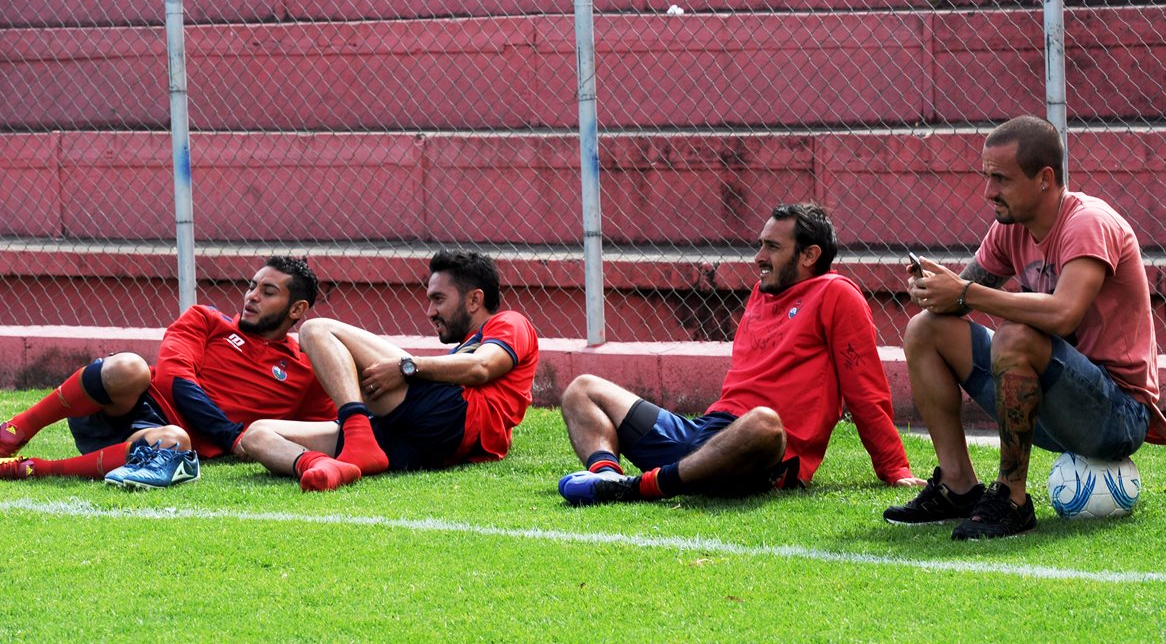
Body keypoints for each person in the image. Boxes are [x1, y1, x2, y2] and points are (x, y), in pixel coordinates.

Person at [884, 115, 1166, 540]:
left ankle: (1012, 499)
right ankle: (957, 486)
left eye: (1000, 179)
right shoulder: (1010, 227)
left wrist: (964, 292)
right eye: (986, 177)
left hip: (1117, 415)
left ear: (1044, 179)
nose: (988, 192)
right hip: (1056, 403)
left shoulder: (1089, 223)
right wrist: (935, 288)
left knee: (1015, 335)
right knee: (926, 329)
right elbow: (962, 297)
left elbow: (1063, 314)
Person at [557, 203, 924, 506]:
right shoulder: (762, 290)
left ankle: (639, 488)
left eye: (773, 248)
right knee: (581, 389)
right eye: (761, 244)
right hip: (709, 434)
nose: (759, 257)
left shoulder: (837, 294)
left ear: (810, 255)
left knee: (764, 421)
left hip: (765, 449)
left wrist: (895, 469)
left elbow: (865, 391)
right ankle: (606, 476)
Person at [0, 256, 336, 488]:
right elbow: (176, 379)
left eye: (268, 292)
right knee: (129, 366)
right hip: (122, 404)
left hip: (154, 439)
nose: (251, 296)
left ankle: (34, 469)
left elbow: (330, 429)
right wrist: (230, 435)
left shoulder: (306, 372)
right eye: (252, 286)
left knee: (175, 440)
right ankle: (16, 429)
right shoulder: (207, 319)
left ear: (297, 309)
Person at [239, 249, 539, 492]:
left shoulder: (510, 322)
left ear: (475, 299)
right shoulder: (460, 349)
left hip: (455, 417)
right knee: (258, 434)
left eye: (439, 299)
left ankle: (358, 437)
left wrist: (407, 367)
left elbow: (481, 367)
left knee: (317, 329)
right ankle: (321, 466)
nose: (431, 312)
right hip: (423, 443)